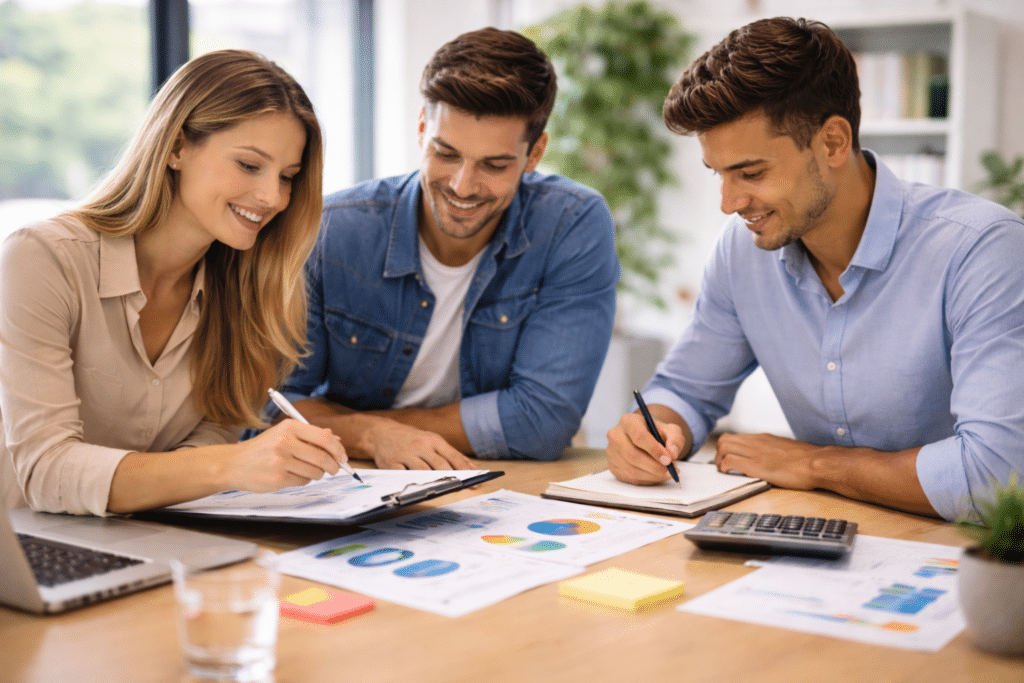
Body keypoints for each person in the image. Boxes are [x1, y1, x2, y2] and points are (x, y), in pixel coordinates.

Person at [605, 17, 1024, 521]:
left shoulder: (980, 250)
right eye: (719, 174)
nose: (729, 202)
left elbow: (998, 475)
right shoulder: (741, 254)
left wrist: (817, 464)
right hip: (822, 540)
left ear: (832, 142)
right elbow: (687, 390)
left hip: (965, 558)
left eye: (751, 172)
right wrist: (652, 431)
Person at [0, 49, 348, 516]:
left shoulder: (256, 295)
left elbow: (208, 440)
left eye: (288, 177)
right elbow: (45, 472)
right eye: (249, 165)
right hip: (27, 552)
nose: (272, 197)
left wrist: (229, 463)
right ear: (176, 147)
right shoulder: (43, 258)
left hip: (154, 538)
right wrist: (233, 464)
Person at [278, 28, 619, 470]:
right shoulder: (332, 230)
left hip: (493, 483)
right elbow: (277, 404)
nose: (463, 186)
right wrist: (374, 436)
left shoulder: (572, 225)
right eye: (446, 153)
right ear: (422, 129)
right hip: (351, 482)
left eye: (494, 165)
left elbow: (542, 419)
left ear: (535, 154)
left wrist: (364, 429)